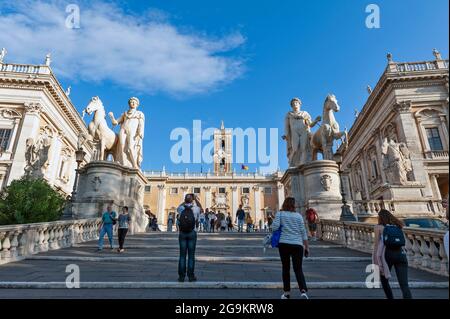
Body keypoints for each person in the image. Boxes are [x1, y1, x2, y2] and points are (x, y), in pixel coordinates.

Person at [272, 197, 309, 299]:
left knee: (286, 268)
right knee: (298, 269)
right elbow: (303, 232)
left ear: (284, 204)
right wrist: (307, 246)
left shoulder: (280, 214)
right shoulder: (299, 216)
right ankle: (303, 291)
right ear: (294, 205)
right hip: (297, 245)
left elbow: (274, 227)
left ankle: (287, 293)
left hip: (284, 244)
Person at [373, 209, 412, 299]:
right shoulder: (398, 225)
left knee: (384, 280)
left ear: (380, 218)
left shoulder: (378, 227)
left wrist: (376, 261)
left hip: (387, 255)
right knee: (404, 285)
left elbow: (376, 245)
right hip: (401, 254)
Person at [177, 194, 202, 282]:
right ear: (192, 200)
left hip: (182, 233)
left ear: (185, 200)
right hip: (192, 232)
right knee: (191, 255)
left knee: (182, 255)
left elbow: (178, 207)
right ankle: (191, 276)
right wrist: (195, 199)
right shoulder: (196, 209)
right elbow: (201, 209)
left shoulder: (181, 209)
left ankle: (181, 276)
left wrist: (185, 200)